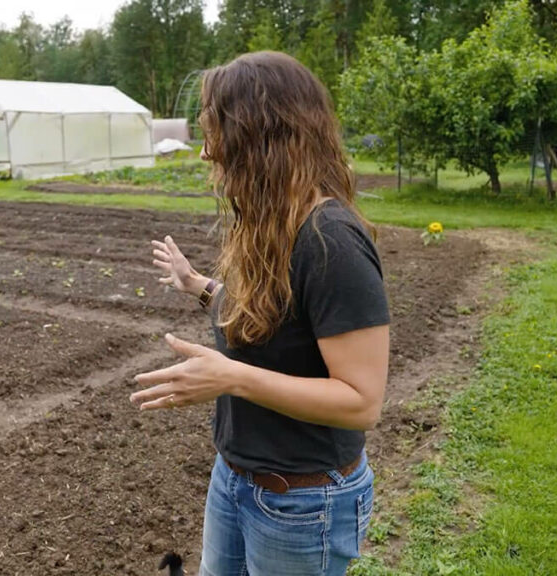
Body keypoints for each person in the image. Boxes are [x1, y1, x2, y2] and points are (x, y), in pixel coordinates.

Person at [130, 51, 390, 576]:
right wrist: (200, 286)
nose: (207, 152)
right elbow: (273, 320)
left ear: (262, 136)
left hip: (303, 503)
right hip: (236, 478)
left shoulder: (331, 241)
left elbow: (362, 403)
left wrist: (231, 377)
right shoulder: (274, 224)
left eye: (218, 132)